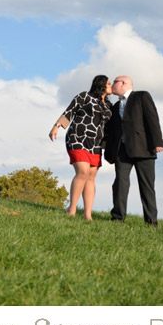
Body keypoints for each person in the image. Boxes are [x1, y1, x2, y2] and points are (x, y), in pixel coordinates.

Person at [49, 75, 112, 220]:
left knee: (91, 177)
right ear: (101, 84)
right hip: (77, 138)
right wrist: (56, 126)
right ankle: (71, 210)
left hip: (96, 143)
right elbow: (69, 111)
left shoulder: (109, 105)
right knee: (82, 171)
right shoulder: (84, 96)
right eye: (109, 83)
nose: (111, 86)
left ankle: (87, 215)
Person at [104, 75, 163, 225]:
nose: (112, 85)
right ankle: (118, 218)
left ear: (123, 83)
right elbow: (111, 132)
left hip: (144, 148)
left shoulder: (141, 96)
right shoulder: (115, 106)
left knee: (147, 186)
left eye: (115, 82)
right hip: (121, 151)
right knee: (120, 184)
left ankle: (151, 222)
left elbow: (152, 118)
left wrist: (158, 142)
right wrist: (108, 153)